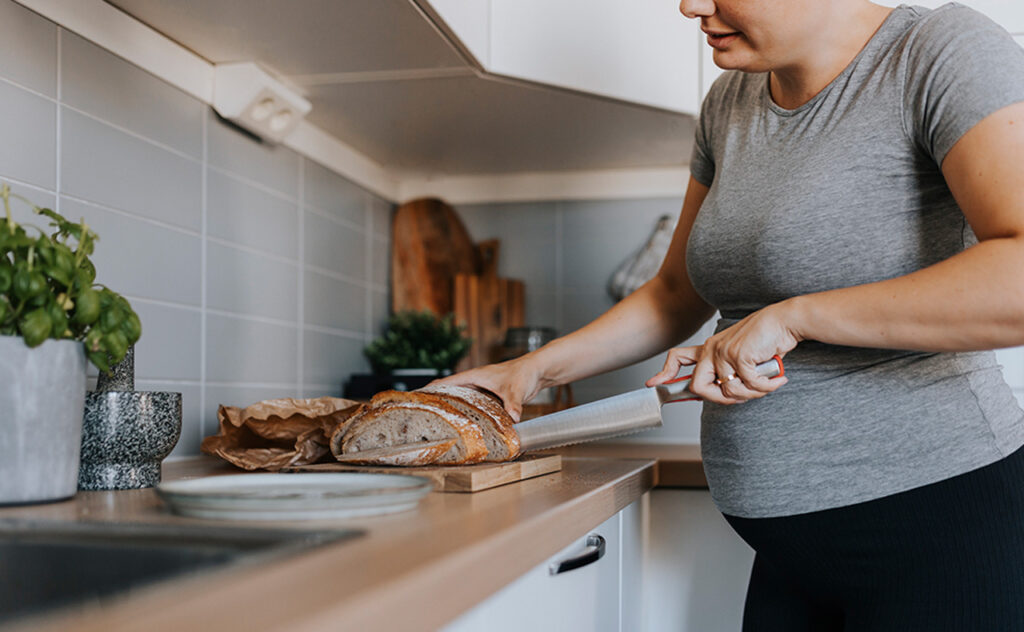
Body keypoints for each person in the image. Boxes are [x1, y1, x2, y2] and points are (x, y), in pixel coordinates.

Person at [437, 0, 1024, 629]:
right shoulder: (729, 100)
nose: (690, 5)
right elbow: (673, 295)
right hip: (788, 553)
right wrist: (527, 373)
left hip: (940, 528)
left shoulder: (939, 50)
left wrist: (795, 317)